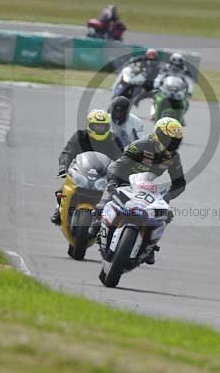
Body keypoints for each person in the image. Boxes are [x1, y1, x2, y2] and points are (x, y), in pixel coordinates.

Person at [92, 117, 186, 265]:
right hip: (124, 180)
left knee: (166, 213)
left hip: (145, 186)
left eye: (175, 141)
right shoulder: (140, 145)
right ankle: (97, 220)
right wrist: (115, 180)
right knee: (110, 190)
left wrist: (167, 196)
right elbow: (118, 165)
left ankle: (149, 246)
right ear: (158, 134)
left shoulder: (174, 157)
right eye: (168, 139)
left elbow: (180, 183)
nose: (171, 144)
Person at [51, 109, 123, 225]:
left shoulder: (113, 140)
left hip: (103, 176)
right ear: (89, 125)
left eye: (102, 127)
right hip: (81, 171)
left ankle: (109, 223)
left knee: (116, 198)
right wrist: (63, 167)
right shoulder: (80, 136)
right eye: (96, 126)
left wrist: (122, 175)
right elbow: (67, 152)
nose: (99, 129)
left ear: (108, 127)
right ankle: (58, 210)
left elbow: (121, 159)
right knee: (63, 188)